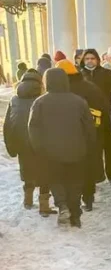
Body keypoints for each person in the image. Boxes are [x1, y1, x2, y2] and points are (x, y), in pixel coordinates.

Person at [27, 67, 95, 227]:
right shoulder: (79, 101)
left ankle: (62, 205)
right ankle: (75, 215)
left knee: (56, 180)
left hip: (50, 152)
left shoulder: (40, 102)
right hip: (77, 150)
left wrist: (38, 147)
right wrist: (89, 146)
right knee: (75, 182)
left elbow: (33, 128)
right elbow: (89, 127)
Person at [55, 59, 106, 211]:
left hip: (67, 137)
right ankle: (88, 198)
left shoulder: (59, 93)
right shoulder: (90, 87)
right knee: (89, 166)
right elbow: (103, 109)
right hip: (91, 134)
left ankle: (71, 199)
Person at [3, 69, 53, 216]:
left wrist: (11, 146)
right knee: (45, 173)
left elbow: (7, 125)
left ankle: (28, 200)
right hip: (40, 143)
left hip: (21, 143)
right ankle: (44, 207)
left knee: (27, 171)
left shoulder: (14, 100)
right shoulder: (43, 99)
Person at [79, 48, 111, 184]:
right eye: (87, 59)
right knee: (92, 147)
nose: (90, 61)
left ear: (97, 60)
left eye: (92, 58)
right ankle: (95, 175)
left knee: (109, 145)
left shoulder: (108, 74)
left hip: (105, 115)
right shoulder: (79, 76)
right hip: (86, 117)